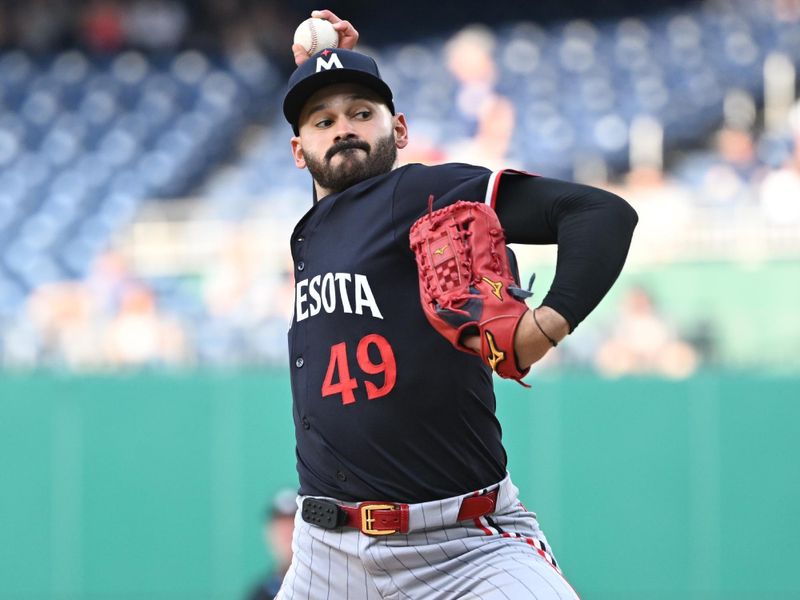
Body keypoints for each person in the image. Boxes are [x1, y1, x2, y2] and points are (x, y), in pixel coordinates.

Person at [278, 10, 638, 599]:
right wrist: (322, 66)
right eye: (324, 121)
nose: (343, 128)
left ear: (399, 131)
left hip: (461, 546)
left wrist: (547, 322)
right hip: (325, 555)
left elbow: (600, 213)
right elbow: (341, 193)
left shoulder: (417, 192)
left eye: (361, 115)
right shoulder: (315, 230)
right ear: (298, 151)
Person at [247, 488, 298, 600]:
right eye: (281, 525)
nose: (287, 532)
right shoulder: (260, 594)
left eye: (293, 523)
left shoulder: (326, 586)